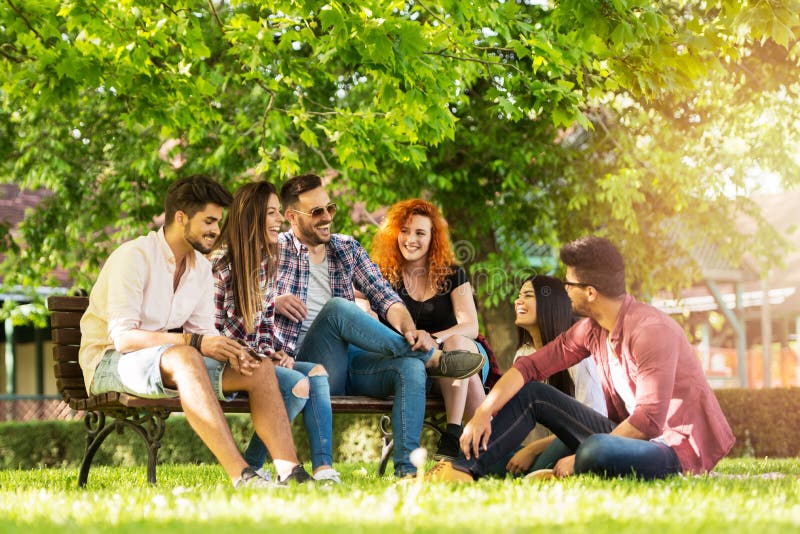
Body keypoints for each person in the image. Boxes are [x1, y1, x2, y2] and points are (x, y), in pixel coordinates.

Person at [427, 236, 735, 482]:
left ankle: (570, 468)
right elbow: (531, 367)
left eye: (568, 284)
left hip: (673, 451)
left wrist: (576, 458)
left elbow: (650, 420)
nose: (564, 290)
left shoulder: (651, 331)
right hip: (626, 439)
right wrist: (482, 412)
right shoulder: (591, 329)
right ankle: (462, 471)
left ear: (590, 292)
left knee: (595, 450)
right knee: (534, 394)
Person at [79, 175, 310, 489]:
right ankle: (243, 476)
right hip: (110, 362)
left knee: (258, 368)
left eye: (218, 221)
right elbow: (124, 338)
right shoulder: (133, 257)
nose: (216, 230)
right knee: (186, 356)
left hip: (162, 362)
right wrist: (197, 342)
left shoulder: (200, 268)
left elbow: (204, 333)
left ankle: (291, 473)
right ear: (180, 218)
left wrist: (233, 351)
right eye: (209, 221)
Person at [271, 173, 485, 478]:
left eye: (329, 209)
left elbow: (388, 300)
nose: (326, 217)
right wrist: (273, 302)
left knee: (408, 367)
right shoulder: (273, 251)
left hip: (350, 365)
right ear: (291, 216)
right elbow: (233, 294)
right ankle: (434, 359)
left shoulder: (346, 249)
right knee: (338, 308)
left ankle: (407, 473)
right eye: (316, 212)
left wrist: (410, 331)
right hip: (303, 364)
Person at [210, 181, 339, 484]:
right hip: (226, 365)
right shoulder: (221, 264)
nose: (279, 219)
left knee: (314, 374)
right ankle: (262, 466)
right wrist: (260, 356)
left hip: (256, 359)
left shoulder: (265, 261)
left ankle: (319, 469)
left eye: (278, 212)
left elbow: (266, 322)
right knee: (297, 385)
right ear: (251, 216)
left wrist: (274, 352)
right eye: (271, 213)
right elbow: (212, 329)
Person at [370, 199, 488, 460]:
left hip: (463, 351)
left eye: (420, 233)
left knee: (457, 347)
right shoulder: (381, 276)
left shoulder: (452, 273)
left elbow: (470, 325)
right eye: (404, 231)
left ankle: (453, 434)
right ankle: (488, 452)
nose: (410, 239)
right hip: (414, 363)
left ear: (433, 238)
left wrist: (435, 339)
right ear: (393, 234)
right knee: (467, 376)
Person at [500, 274, 606, 476]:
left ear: (550, 303)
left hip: (589, 441)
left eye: (528, 295)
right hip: (556, 444)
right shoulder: (524, 354)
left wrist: (533, 449)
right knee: (493, 454)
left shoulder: (578, 353)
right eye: (518, 295)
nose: (518, 301)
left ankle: (534, 474)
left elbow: (592, 428)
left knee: (532, 464)